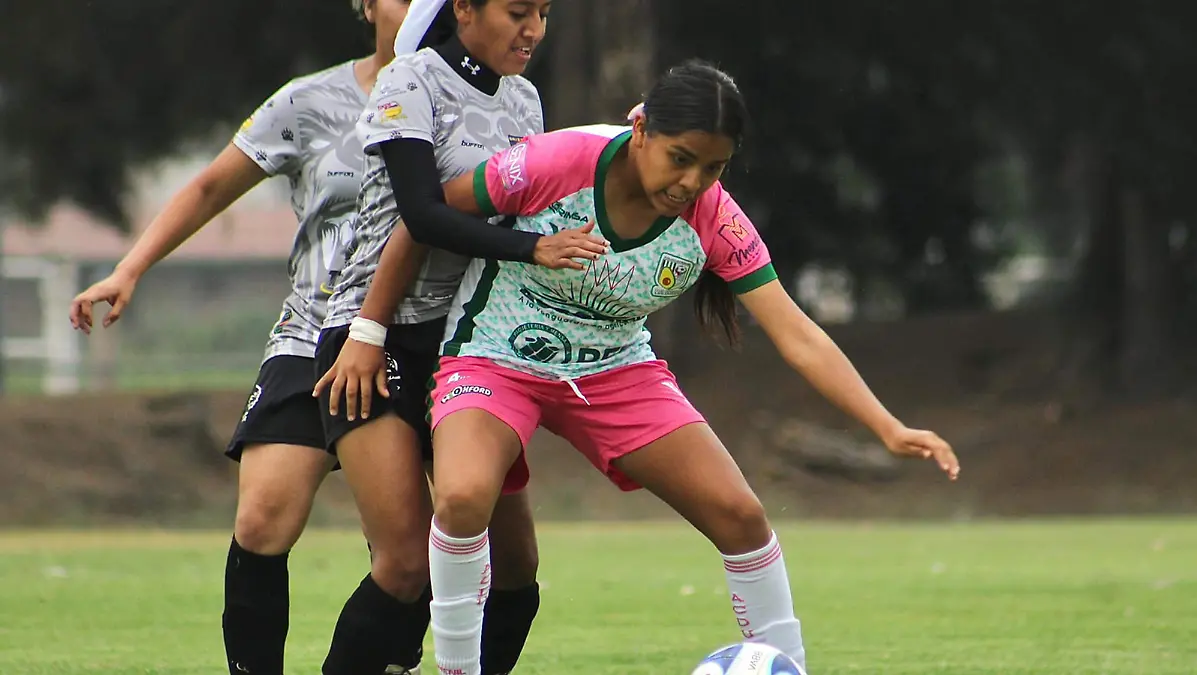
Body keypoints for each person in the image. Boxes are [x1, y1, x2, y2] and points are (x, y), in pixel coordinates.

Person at [339, 59, 962, 675]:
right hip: (495, 354)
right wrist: (367, 331)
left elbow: (797, 335)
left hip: (617, 370)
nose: (692, 182)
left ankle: (788, 668)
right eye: (680, 158)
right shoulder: (560, 162)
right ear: (641, 130)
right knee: (462, 496)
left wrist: (887, 427)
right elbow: (424, 220)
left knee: (742, 516)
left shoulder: (715, 218)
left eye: (713, 167)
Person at [67, 3, 446, 674]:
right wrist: (129, 269)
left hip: (418, 343)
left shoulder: (467, 101)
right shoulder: (309, 101)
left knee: (407, 553)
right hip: (314, 334)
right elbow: (211, 185)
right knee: (262, 518)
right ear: (365, 5)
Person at [312, 1, 607, 674]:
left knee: (517, 566)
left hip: (466, 346)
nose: (533, 30)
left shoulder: (524, 99)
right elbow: (422, 213)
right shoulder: (410, 79)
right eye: (517, 10)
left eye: (544, 12)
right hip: (373, 337)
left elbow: (528, 210)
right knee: (405, 562)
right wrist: (534, 249)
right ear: (465, 9)